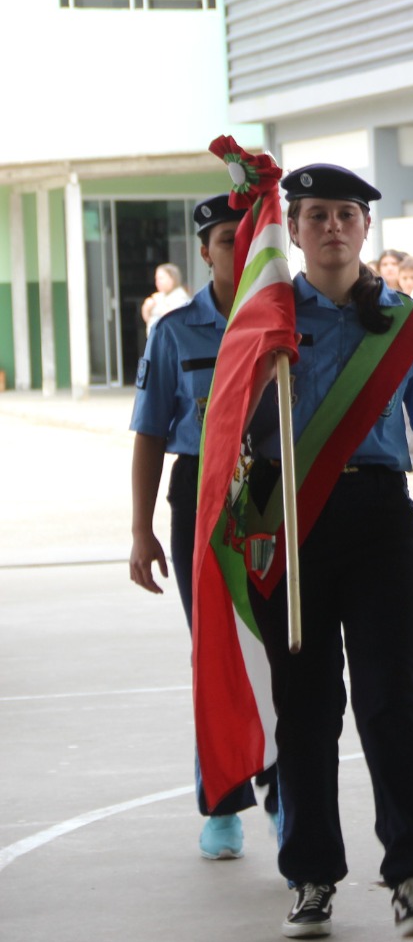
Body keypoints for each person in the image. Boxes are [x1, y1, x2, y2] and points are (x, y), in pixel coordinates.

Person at [257, 163, 413, 937]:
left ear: (366, 230)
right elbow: (228, 433)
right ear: (293, 230)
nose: (331, 228)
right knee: (306, 705)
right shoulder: (262, 321)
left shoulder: (403, 323)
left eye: (346, 216)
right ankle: (311, 875)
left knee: (391, 701)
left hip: (379, 517)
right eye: (316, 215)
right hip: (291, 518)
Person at [129, 194, 278, 860]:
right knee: (215, 646)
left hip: (275, 494)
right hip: (199, 493)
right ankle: (221, 801)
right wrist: (141, 529)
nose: (236, 250)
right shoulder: (175, 329)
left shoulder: (286, 319)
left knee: (280, 648)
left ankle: (284, 792)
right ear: (205, 250)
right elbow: (150, 433)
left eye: (247, 238)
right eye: (224, 239)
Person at [142, 262, 191, 334]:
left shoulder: (180, 296)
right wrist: (146, 307)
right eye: (156, 279)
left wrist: (160, 302)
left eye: (161, 278)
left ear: (172, 279)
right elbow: (147, 319)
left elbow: (174, 318)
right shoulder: (159, 296)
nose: (157, 282)